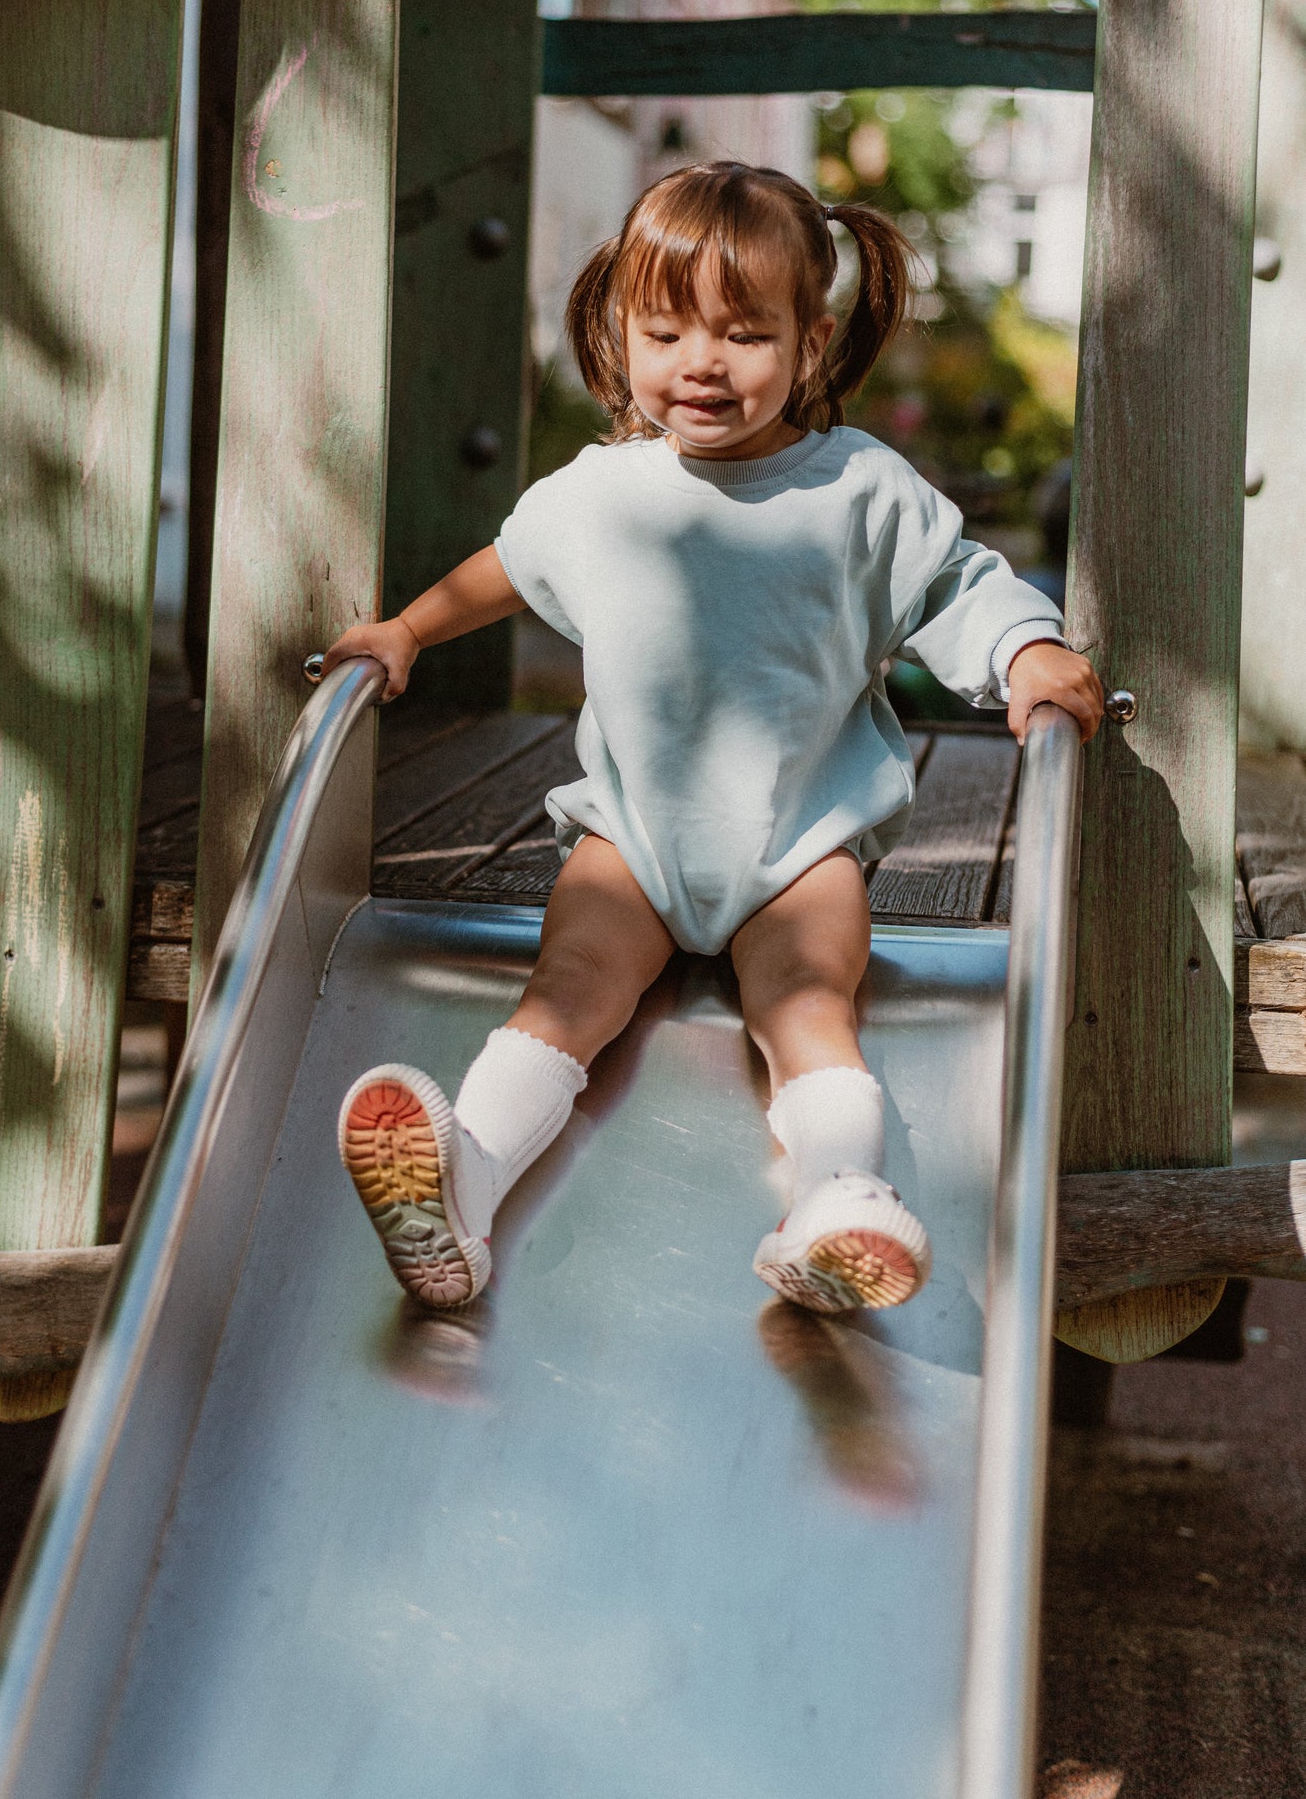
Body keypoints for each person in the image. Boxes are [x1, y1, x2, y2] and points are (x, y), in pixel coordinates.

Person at [321, 162, 1102, 1320]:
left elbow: (955, 586)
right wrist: (406, 631)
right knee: (565, 990)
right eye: (664, 332)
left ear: (810, 342)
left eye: (743, 335)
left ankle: (835, 1201)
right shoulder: (603, 492)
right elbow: (507, 567)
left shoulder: (857, 490)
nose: (700, 363)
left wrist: (1022, 650)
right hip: (632, 841)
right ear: (620, 332)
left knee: (807, 1005)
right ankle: (462, 1184)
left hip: (800, 846)